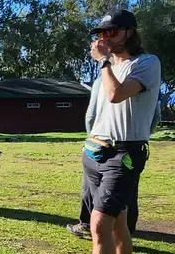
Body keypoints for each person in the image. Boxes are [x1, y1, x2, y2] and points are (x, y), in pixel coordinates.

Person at [66, 9, 161, 254]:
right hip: (96, 150)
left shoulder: (146, 63)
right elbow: (97, 109)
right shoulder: (105, 71)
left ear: (130, 32)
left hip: (125, 154)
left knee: (99, 223)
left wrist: (104, 63)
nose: (105, 38)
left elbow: (117, 94)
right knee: (118, 222)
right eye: (101, 33)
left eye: (113, 32)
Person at [67, 75, 161, 239]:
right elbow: (156, 116)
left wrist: (91, 139)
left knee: (90, 188)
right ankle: (127, 228)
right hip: (133, 147)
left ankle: (87, 224)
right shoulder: (145, 79)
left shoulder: (101, 81)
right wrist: (142, 136)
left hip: (101, 145)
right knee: (128, 188)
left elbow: (91, 114)